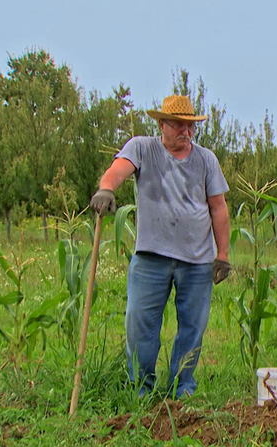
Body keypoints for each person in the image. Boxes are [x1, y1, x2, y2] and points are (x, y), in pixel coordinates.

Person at [89, 95, 231, 398]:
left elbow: (218, 208)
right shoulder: (142, 148)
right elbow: (118, 170)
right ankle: (141, 389)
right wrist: (106, 189)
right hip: (151, 257)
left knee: (193, 328)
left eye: (190, 126)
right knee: (140, 324)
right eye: (179, 125)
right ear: (161, 124)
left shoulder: (206, 160)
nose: (186, 132)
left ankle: (182, 389)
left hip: (197, 261)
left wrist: (222, 255)